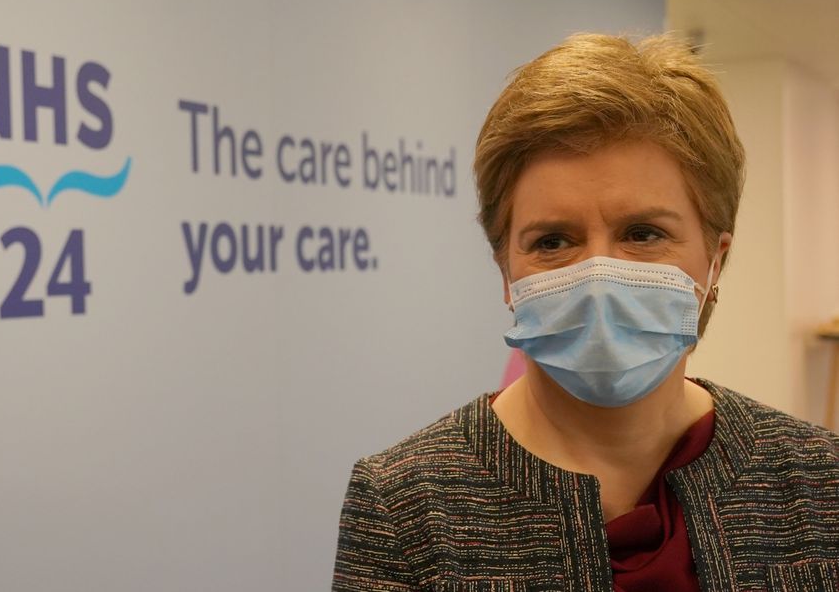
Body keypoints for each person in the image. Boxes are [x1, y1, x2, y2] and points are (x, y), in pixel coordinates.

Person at [332, 34, 839, 591]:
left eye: (643, 233)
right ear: (506, 271)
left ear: (715, 263)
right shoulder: (406, 504)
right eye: (552, 242)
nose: (599, 276)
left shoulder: (818, 481)